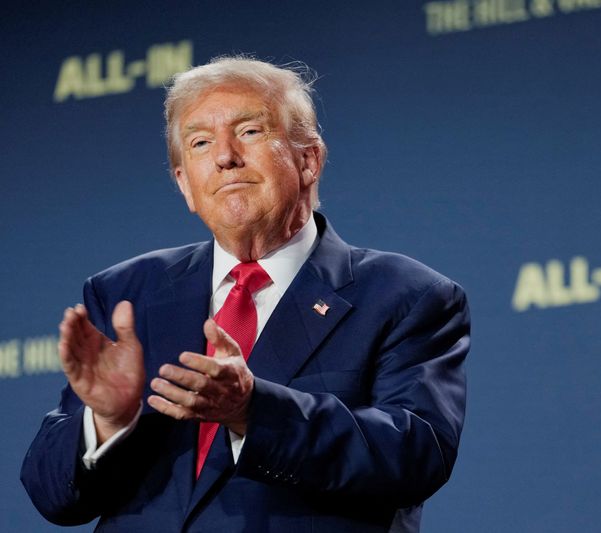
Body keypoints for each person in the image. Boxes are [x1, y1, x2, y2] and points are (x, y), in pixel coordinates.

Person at [20, 57, 469, 532]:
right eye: (199, 143)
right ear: (184, 186)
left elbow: (416, 455)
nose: (224, 156)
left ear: (308, 159)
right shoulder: (127, 294)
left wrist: (253, 410)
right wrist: (107, 421)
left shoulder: (406, 296)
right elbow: (53, 497)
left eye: (250, 132)